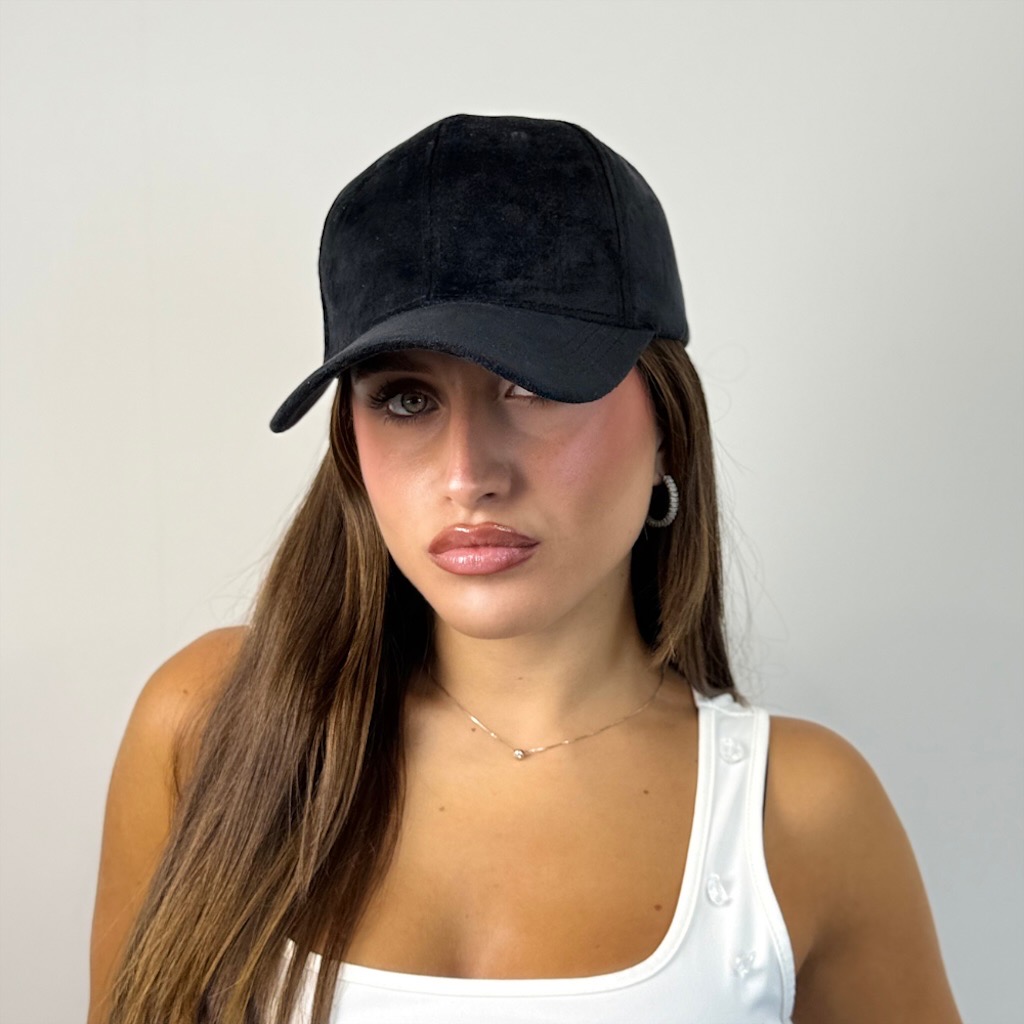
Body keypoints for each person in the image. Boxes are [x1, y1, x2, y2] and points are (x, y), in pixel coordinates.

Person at [88, 114, 962, 1024]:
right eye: (406, 399)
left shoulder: (800, 814)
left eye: (534, 387)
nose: (468, 474)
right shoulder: (213, 727)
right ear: (349, 441)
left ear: (668, 427)